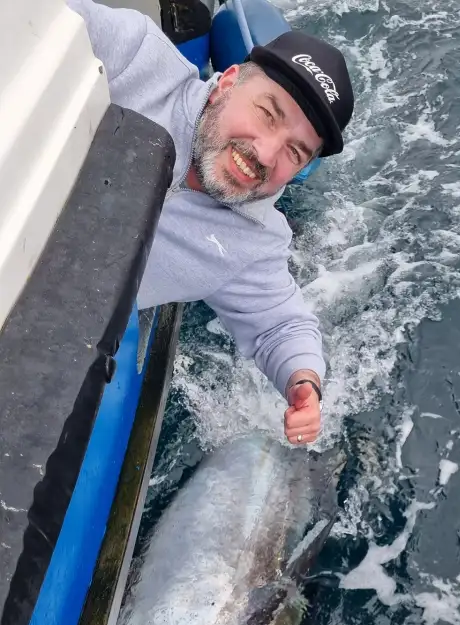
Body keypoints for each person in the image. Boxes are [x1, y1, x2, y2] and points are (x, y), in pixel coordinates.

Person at [67, 0, 355, 446]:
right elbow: (42, 20)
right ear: (227, 82)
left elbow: (281, 325)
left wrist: (303, 381)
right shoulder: (135, 57)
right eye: (268, 113)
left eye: (294, 152)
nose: (265, 153)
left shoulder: (255, 242)